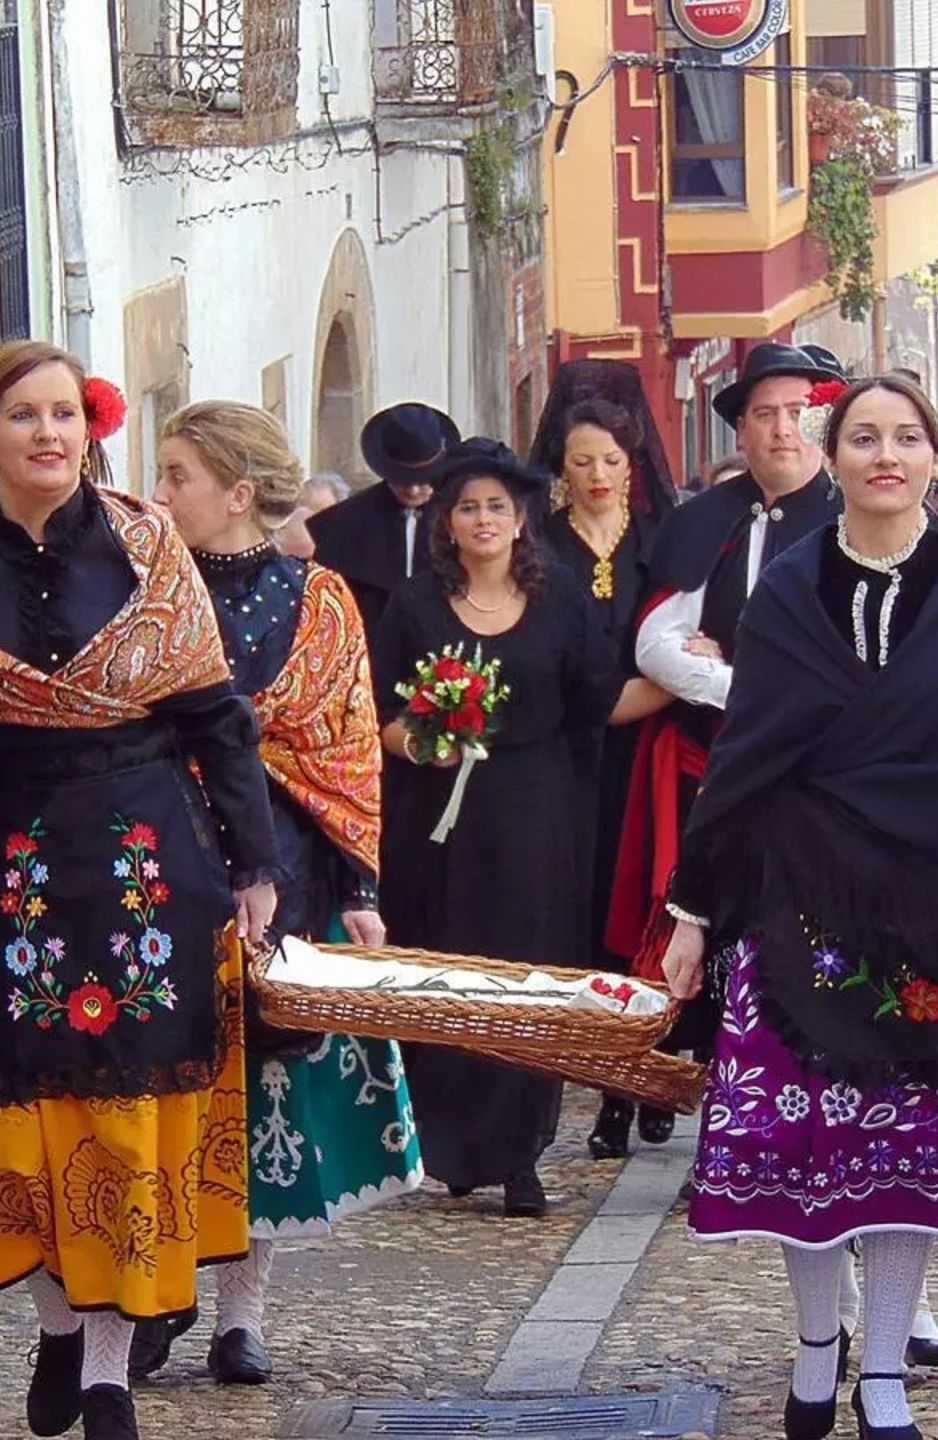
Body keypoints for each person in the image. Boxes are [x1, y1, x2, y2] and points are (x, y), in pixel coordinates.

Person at [0, 341, 279, 1440]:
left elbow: (215, 715)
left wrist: (257, 865)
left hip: (144, 864)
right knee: (15, 1130)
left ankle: (112, 1369)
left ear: (91, 427)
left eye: (66, 414)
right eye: (24, 415)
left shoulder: (147, 543)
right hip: (3, 863)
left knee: (127, 1121)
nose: (49, 434)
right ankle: (59, 1324)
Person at [659, 375, 938, 1440]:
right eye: (863, 437)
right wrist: (692, 912)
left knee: (912, 1152)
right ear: (834, 453)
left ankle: (888, 1370)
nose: (884, 455)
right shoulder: (789, 587)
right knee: (805, 1146)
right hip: (794, 897)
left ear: (936, 458)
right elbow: (749, 755)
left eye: (906, 438)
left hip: (935, 906)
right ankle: (819, 1354)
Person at [134, 400, 422, 1386]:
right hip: (156, 863)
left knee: (266, 1085)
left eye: (175, 476)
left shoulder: (321, 598)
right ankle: (162, 1287)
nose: (159, 494)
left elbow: (344, 747)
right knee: (165, 1084)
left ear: (237, 492)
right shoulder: (140, 594)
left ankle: (242, 1312)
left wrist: (360, 885)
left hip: (285, 866)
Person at [371, 439, 668, 1217]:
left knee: (527, 975)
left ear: (520, 517)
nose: (482, 519)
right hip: (436, 823)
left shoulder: (561, 597)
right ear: (447, 519)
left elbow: (596, 701)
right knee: (449, 971)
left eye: (496, 506)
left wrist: (691, 680)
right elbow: (377, 719)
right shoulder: (414, 604)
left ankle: (521, 1152)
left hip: (536, 816)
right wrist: (428, 741)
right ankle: (453, 1144)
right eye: (467, 506)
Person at [607, 343, 841, 994]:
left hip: (819, 774)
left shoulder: (857, 519)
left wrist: (740, 680)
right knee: (705, 943)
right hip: (708, 767)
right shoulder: (706, 517)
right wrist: (735, 688)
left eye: (797, 412)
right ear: (742, 430)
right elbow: (657, 642)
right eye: (764, 414)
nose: (782, 429)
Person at [530, 365, 681, 1160]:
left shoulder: (661, 543)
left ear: (632, 464)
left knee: (643, 921)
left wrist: (654, 694)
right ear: (561, 465)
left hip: (646, 757)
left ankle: (643, 1077)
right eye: (582, 461)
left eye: (610, 461)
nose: (596, 476)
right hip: (565, 758)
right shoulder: (538, 545)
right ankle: (599, 1081)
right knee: (583, 920)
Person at [307, 403, 458, 654]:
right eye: (402, 481)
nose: (412, 491)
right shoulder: (345, 524)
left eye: (422, 481)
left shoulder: (460, 513)